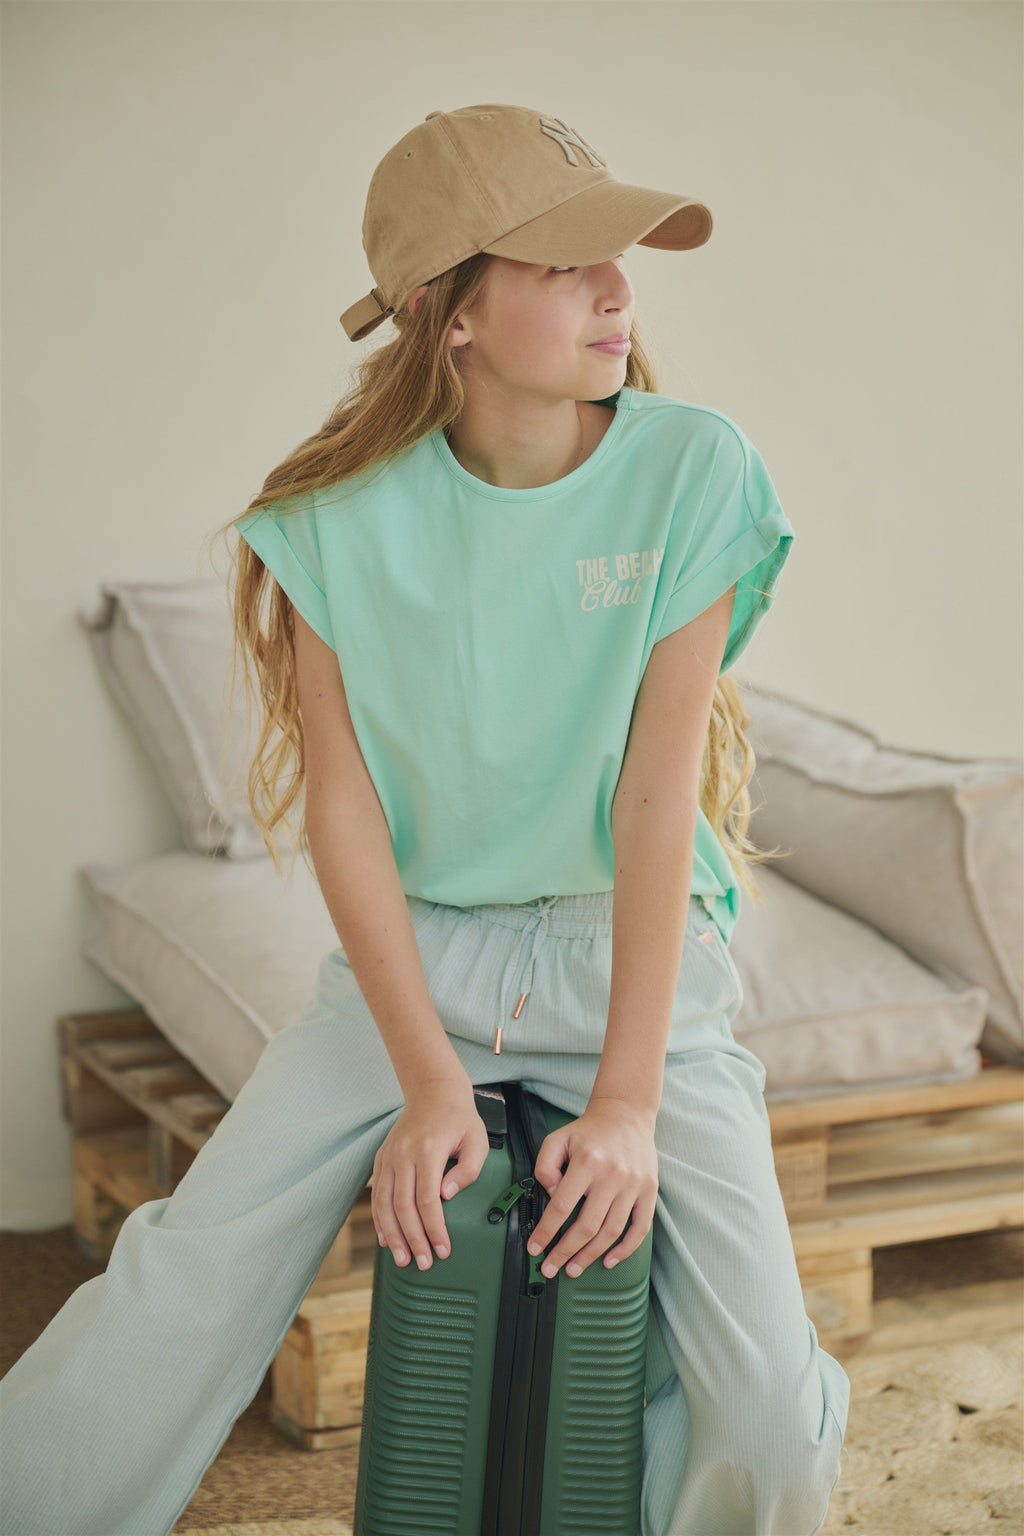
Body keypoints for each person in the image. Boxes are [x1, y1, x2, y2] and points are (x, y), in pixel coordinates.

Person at [0, 103, 851, 1536]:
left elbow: (658, 797)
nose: (619, 291)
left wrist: (628, 1103)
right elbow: (346, 815)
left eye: (620, 259)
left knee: (769, 1421)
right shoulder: (331, 519)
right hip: (419, 967)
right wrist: (427, 1081)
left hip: (631, 968)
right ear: (449, 313)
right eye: (567, 265)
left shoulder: (695, 469)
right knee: (180, 1281)